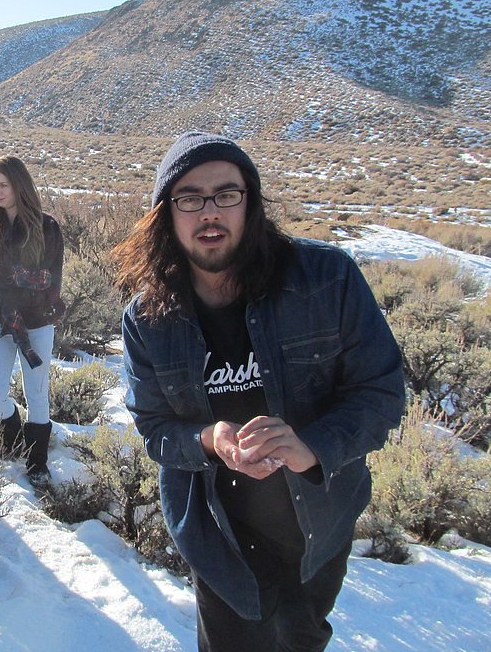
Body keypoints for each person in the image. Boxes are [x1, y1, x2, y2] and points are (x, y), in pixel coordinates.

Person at [113, 130, 405, 651]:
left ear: (251, 202)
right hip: (218, 533)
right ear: (165, 212)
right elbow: (155, 428)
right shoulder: (146, 319)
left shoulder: (326, 278)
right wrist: (212, 440)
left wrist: (311, 445)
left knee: (302, 637)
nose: (210, 212)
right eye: (190, 197)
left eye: (227, 194)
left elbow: (380, 390)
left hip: (319, 520)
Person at [0, 156, 65, 486]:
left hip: (36, 322)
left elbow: (50, 278)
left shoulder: (46, 227)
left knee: (37, 394)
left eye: (3, 184)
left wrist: (14, 286)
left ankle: (36, 462)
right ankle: (12, 435)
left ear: (19, 186)